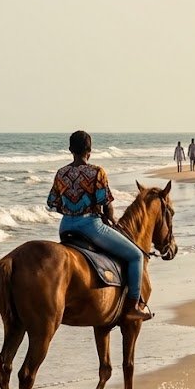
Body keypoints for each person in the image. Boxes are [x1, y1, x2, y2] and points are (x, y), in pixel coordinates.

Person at [47, 130, 152, 322]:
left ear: (70, 149)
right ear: (90, 150)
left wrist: (71, 210)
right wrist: (109, 219)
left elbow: (52, 203)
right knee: (136, 255)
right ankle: (132, 307)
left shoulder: (61, 173)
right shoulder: (96, 172)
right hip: (90, 226)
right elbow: (107, 204)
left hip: (65, 228)